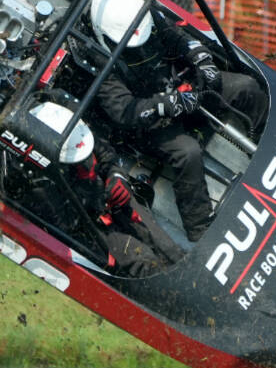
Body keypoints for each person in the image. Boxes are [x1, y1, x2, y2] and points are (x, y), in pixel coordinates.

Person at [86, 0, 268, 242]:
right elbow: (123, 112)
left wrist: (203, 61)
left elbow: (182, 40)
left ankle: (268, 143)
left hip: (182, 90)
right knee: (188, 153)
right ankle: (200, 229)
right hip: (146, 124)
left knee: (246, 87)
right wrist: (166, 104)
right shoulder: (96, 56)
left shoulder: (148, 15)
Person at [28, 101, 182, 277]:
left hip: (114, 197)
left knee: (168, 247)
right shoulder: (40, 180)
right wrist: (92, 193)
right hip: (91, 225)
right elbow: (67, 225)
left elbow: (107, 155)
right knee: (144, 261)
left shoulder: (77, 128)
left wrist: (117, 178)